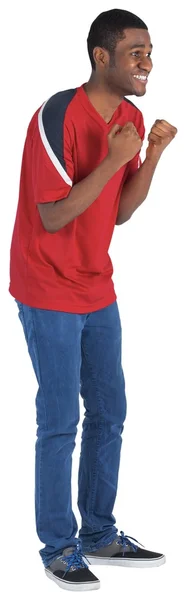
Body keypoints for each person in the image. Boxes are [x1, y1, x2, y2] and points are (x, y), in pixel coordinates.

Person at [9, 8, 177, 593]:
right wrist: (112, 158)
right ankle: (58, 546)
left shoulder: (129, 116)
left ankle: (99, 533)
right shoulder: (57, 115)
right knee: (60, 421)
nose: (148, 63)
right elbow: (52, 216)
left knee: (111, 413)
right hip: (46, 283)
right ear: (102, 56)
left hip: (96, 284)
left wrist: (150, 155)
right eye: (137, 52)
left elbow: (121, 211)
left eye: (150, 51)